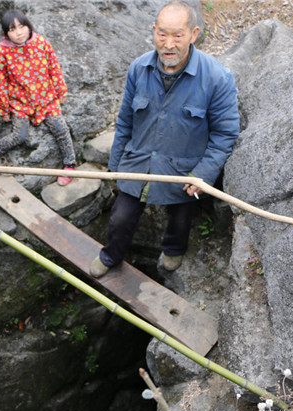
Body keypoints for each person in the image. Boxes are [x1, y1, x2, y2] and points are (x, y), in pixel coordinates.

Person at [90, 0, 239, 277]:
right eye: (162, 34)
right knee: (121, 218)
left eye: (178, 35)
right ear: (154, 31)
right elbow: (125, 121)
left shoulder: (217, 77)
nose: (168, 44)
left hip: (184, 172)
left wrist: (202, 174)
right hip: (139, 163)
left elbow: (225, 133)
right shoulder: (139, 68)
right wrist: (115, 167)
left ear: (193, 34)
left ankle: (172, 251)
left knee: (180, 220)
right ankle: (111, 254)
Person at [0, 9, 76, 186]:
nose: (19, 32)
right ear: (6, 33)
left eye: (22, 26)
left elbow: (54, 67)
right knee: (20, 135)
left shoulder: (41, 42)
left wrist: (61, 91)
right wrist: (4, 109)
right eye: (12, 29)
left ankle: (69, 165)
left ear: (28, 26)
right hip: (21, 104)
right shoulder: (1, 54)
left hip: (47, 99)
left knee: (61, 130)